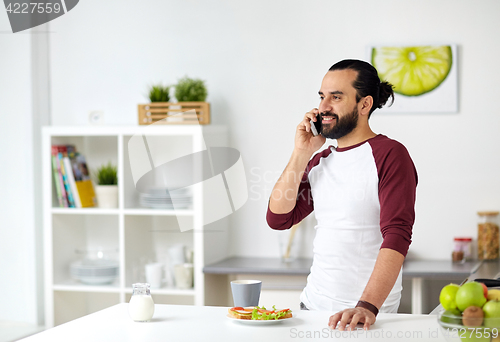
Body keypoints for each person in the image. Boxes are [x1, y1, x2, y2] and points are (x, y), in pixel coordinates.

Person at [266, 59, 417, 331]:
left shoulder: (390, 155)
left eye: (336, 97)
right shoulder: (320, 160)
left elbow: (398, 234)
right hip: (312, 308)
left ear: (364, 104)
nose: (323, 107)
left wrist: (367, 306)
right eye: (322, 97)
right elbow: (278, 218)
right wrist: (301, 153)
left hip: (364, 316)